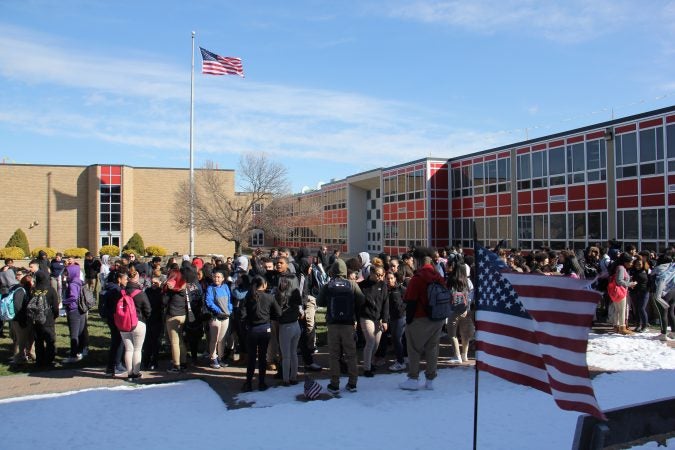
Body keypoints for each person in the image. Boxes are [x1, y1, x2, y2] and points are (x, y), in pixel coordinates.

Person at [399, 247, 446, 391]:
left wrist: (409, 320)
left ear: (418, 260)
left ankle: (413, 378)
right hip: (437, 317)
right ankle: (430, 379)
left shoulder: (418, 278)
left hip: (419, 317)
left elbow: (410, 300)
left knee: (414, 348)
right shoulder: (437, 275)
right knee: (432, 348)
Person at [318, 259, 365, 395]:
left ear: (333, 271)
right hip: (348, 324)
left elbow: (320, 302)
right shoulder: (352, 284)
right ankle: (352, 383)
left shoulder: (328, 285)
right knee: (351, 354)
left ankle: (334, 383)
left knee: (334, 355)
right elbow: (361, 300)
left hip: (333, 324)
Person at [240, 275, 282, 392]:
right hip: (265, 329)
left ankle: (248, 383)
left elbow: (242, 315)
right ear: (264, 285)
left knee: (252, 357)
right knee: (262, 357)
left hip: (252, 330)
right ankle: (261, 382)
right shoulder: (269, 297)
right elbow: (278, 312)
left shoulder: (248, 297)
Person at [118, 267, 151, 379]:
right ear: (137, 279)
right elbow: (148, 309)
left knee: (128, 349)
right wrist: (145, 318)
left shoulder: (121, 292)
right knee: (137, 349)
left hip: (123, 323)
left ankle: (129, 372)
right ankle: (136, 372)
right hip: (138, 322)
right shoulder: (140, 293)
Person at [274, 257, 302, 385]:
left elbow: (281, 300)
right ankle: (294, 377)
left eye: (281, 263)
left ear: (287, 264)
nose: (278, 265)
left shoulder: (283, 279)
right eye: (277, 263)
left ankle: (286, 379)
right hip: (295, 322)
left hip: (286, 322)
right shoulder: (294, 277)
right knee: (293, 352)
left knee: (286, 355)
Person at [357, 264, 389, 377]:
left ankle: (370, 362)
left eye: (382, 275)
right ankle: (367, 368)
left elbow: (386, 303)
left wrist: (385, 320)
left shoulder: (383, 285)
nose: (380, 277)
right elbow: (358, 303)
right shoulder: (363, 286)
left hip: (378, 318)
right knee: (370, 341)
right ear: (371, 273)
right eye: (378, 274)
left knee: (376, 344)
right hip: (366, 316)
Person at [204, 270, 232, 369]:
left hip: (226, 316)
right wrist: (218, 311)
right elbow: (209, 301)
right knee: (214, 339)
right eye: (215, 277)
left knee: (222, 339)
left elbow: (229, 299)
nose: (217, 279)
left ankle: (220, 357)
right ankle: (213, 357)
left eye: (219, 277)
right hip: (215, 316)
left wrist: (230, 309)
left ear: (223, 278)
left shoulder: (225, 287)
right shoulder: (210, 288)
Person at [31, 271, 59, 368]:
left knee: (38, 341)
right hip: (48, 318)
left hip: (36, 319)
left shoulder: (33, 290)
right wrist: (55, 316)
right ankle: (49, 361)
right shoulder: (50, 290)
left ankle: (39, 361)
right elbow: (55, 306)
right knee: (50, 341)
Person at [63, 263, 87, 363]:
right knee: (81, 332)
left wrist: (63, 302)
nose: (65, 275)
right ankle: (81, 351)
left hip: (74, 310)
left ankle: (73, 355)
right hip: (82, 309)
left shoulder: (72, 284)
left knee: (74, 333)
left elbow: (73, 297)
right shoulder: (80, 281)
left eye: (67, 272)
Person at [384, 270, 407, 372]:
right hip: (392, 318)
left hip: (400, 318)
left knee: (397, 339)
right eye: (388, 278)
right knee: (397, 339)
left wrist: (402, 309)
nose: (389, 280)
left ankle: (400, 362)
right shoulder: (386, 289)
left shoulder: (400, 289)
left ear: (395, 279)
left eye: (391, 278)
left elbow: (408, 300)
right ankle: (403, 359)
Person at [612, 253, 635, 335]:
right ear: (625, 262)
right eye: (630, 262)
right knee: (622, 310)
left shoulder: (618, 267)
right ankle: (622, 327)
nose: (631, 264)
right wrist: (630, 284)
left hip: (615, 291)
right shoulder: (621, 268)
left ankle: (616, 326)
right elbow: (619, 281)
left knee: (617, 309)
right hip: (620, 291)